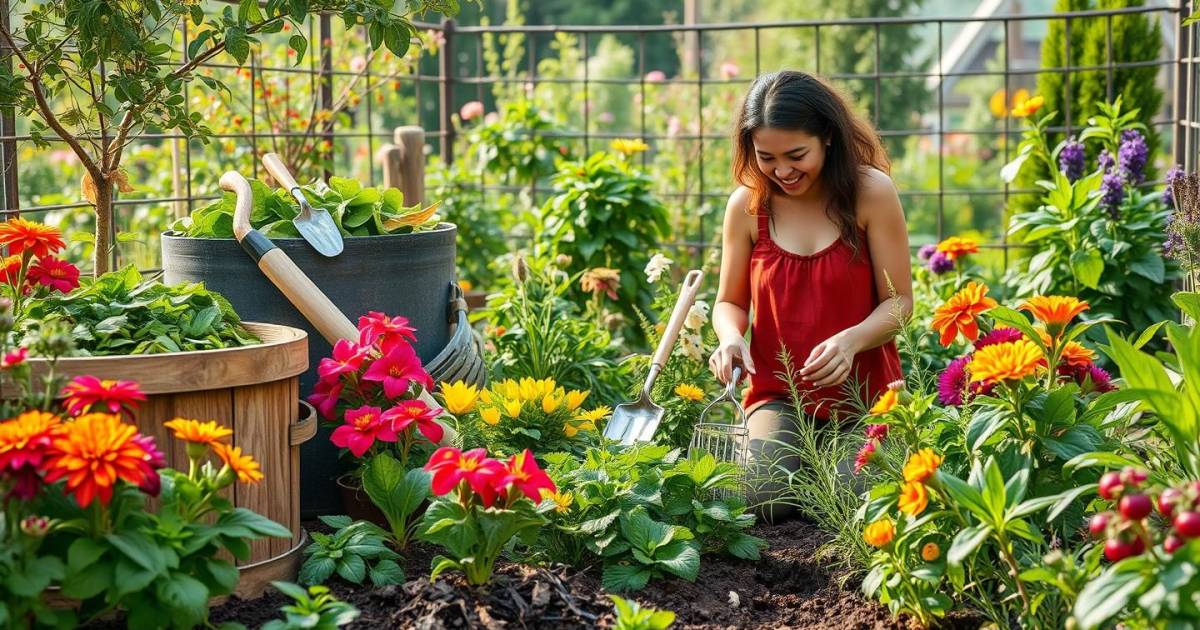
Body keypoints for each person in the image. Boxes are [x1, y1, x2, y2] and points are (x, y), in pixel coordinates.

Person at [708, 70, 912, 520]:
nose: (782, 171)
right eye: (767, 157)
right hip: (778, 392)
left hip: (866, 395)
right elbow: (730, 302)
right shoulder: (747, 205)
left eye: (797, 155)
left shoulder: (871, 193)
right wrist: (730, 339)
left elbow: (900, 303)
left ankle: (826, 462)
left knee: (852, 504)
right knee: (761, 499)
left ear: (828, 138)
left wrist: (851, 340)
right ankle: (790, 454)